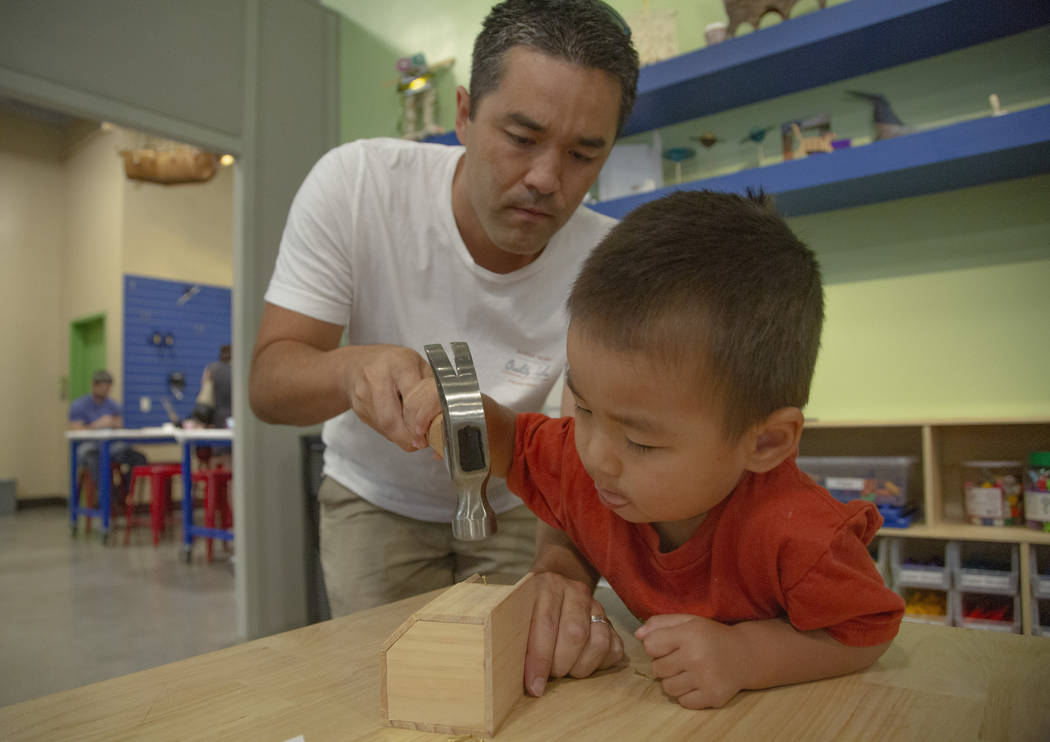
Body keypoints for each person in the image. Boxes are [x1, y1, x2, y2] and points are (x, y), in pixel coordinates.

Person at [249, 0, 638, 675]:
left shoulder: (610, 262)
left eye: (583, 154)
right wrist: (351, 370)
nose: (547, 179)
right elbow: (269, 385)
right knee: (390, 688)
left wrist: (560, 568)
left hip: (528, 503)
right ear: (463, 113)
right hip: (374, 500)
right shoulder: (357, 186)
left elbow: (584, 449)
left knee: (526, 687)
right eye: (521, 137)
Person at [410, 190, 906, 707]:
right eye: (581, 407)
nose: (595, 455)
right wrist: (458, 416)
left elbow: (867, 630)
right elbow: (512, 442)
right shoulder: (588, 457)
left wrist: (745, 656)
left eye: (642, 442)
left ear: (764, 442)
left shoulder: (800, 534)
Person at [68, 369, 147, 497]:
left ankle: (124, 492)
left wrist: (116, 424)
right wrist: (96, 425)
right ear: (94, 385)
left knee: (139, 457)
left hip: (112, 447)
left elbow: (121, 424)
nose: (105, 390)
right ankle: (105, 495)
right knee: (95, 458)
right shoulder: (80, 405)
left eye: (108, 386)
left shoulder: (113, 405)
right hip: (89, 447)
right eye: (102, 386)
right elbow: (75, 429)